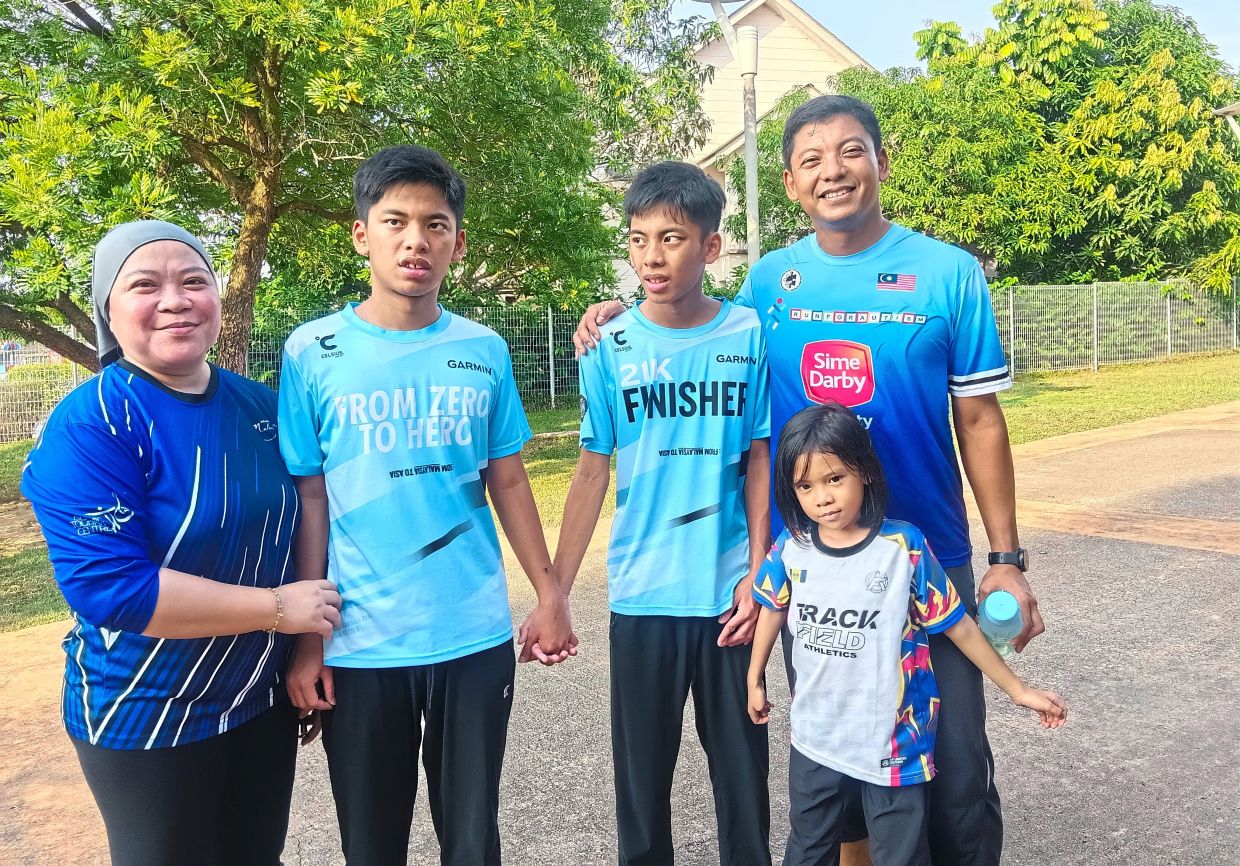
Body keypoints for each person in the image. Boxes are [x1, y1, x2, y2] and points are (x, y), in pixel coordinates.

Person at [574, 94, 1044, 865]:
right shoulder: (770, 282)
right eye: (812, 160)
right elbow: (688, 305)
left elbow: (982, 421)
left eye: (851, 151)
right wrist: (614, 312)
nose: (834, 171)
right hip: (817, 565)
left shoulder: (950, 275)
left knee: (955, 770)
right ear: (791, 183)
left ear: (882, 163)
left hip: (930, 553)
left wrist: (1007, 558)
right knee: (839, 757)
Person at [278, 145, 575, 866]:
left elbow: (507, 480)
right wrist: (308, 639)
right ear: (362, 234)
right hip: (361, 642)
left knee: (473, 842)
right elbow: (309, 497)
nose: (416, 240)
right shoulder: (310, 351)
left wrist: (549, 593)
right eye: (396, 222)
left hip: (470, 638)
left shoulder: (484, 349)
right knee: (371, 844)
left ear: (458, 242)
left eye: (436, 224)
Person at [21, 220, 343, 866]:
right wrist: (280, 610)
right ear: (109, 310)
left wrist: (307, 647)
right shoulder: (91, 426)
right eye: (145, 284)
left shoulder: (263, 409)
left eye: (195, 281)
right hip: (144, 712)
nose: (175, 299)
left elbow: (319, 511)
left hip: (256, 699)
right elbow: (116, 588)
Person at [543, 161, 773, 866]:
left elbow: (760, 457)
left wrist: (761, 573)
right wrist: (553, 591)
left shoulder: (749, 333)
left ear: (709, 247)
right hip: (643, 598)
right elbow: (589, 472)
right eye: (638, 239)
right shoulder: (608, 346)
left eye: (671, 238)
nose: (651, 256)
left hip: (729, 598)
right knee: (641, 789)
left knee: (744, 784)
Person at [747, 402, 1065, 866]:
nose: (823, 497)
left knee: (901, 855)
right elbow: (772, 609)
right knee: (808, 849)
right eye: (805, 485)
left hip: (894, 746)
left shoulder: (904, 549)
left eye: (835, 478)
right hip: (816, 740)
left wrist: (1017, 689)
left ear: (866, 473)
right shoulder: (790, 549)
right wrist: (755, 675)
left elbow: (959, 629)